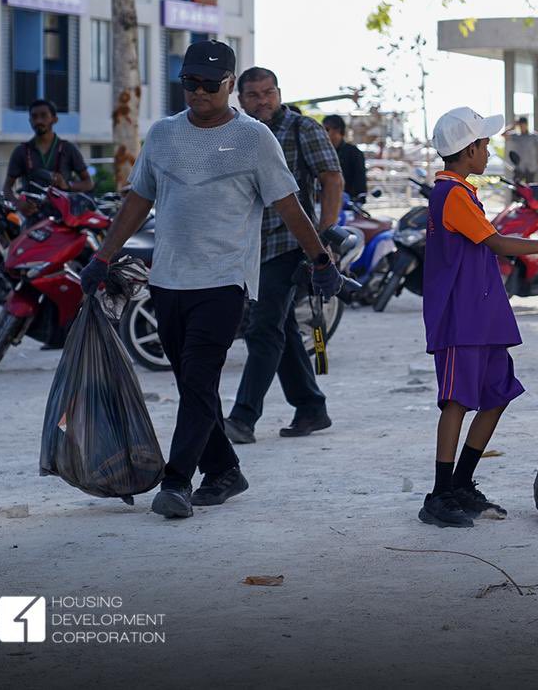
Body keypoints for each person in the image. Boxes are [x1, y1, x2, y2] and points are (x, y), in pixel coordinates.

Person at [79, 40, 341, 520]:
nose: (197, 92)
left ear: (228, 86)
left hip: (224, 282)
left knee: (200, 379)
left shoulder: (255, 138)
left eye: (208, 84)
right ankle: (224, 470)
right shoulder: (162, 135)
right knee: (192, 388)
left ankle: (177, 481)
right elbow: (139, 200)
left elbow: (288, 204)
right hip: (169, 280)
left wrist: (320, 259)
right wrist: (103, 257)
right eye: (189, 83)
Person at [419, 106, 538, 527]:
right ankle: (439, 495)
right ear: (469, 148)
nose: (489, 149)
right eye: (484, 143)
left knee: (496, 396)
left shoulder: (461, 191)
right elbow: (496, 244)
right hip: (462, 318)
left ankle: (460, 483)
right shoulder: (451, 194)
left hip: (482, 314)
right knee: (456, 401)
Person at [222, 69, 344, 444]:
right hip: (249, 246)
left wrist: (322, 238)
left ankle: (243, 418)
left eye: (269, 93)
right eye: (254, 95)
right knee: (282, 328)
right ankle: (310, 406)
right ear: (240, 99)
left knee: (263, 328)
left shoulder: (301, 128)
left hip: (291, 244)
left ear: (279, 93)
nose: (263, 101)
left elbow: (332, 178)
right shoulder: (237, 133)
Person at [3, 99, 93, 216]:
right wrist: (18, 203)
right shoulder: (21, 151)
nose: (38, 120)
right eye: (34, 117)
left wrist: (68, 185)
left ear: (55, 119)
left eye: (44, 116)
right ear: (30, 121)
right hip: (32, 216)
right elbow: (7, 188)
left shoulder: (68, 148)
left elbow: (89, 183)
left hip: (63, 216)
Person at [324, 114, 368, 198]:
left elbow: (360, 181)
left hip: (349, 202)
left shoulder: (354, 152)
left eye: (327, 129)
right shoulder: (323, 152)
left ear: (338, 130)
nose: (324, 133)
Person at [503, 117, 538, 184]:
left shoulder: (534, 136)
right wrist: (513, 126)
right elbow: (503, 135)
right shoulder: (516, 136)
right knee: (516, 187)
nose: (522, 127)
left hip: (531, 166)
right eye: (520, 125)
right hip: (519, 167)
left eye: (523, 125)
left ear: (527, 125)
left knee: (530, 188)